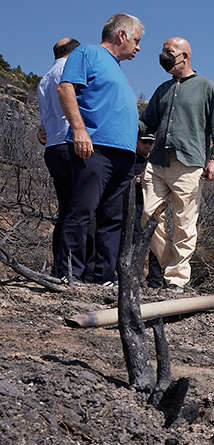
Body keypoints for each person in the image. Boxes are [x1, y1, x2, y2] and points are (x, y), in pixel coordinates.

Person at [139, 37, 214, 294]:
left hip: (189, 165)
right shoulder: (162, 90)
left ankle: (177, 280)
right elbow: (147, 124)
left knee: (184, 224)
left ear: (185, 55)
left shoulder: (206, 87)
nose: (163, 56)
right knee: (147, 216)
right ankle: (173, 264)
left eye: (168, 52)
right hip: (157, 163)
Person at [56, 14, 143, 285]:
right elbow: (65, 87)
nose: (138, 48)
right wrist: (79, 129)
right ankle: (69, 274)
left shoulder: (117, 68)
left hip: (123, 155)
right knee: (82, 211)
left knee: (113, 218)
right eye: (137, 40)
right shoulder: (87, 53)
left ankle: (103, 277)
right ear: (122, 35)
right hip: (95, 148)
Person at [37, 38, 80, 277]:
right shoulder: (68, 72)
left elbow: (43, 124)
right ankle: (72, 268)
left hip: (52, 147)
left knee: (65, 209)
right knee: (80, 209)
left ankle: (60, 266)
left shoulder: (44, 79)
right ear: (74, 52)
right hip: (69, 143)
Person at [132, 133, 165, 289]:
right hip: (137, 205)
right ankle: (134, 277)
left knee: (157, 242)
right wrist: (140, 178)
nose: (147, 145)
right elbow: (127, 181)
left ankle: (155, 281)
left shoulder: (157, 162)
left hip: (156, 206)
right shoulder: (130, 159)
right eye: (144, 141)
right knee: (137, 241)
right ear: (137, 142)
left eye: (151, 142)